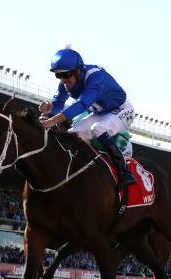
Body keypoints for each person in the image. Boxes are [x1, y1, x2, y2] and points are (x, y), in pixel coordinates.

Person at [39, 46, 136, 190]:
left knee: (98, 129)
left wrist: (52, 121)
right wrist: (50, 108)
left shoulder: (95, 76)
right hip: (101, 112)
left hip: (122, 109)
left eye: (66, 75)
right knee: (72, 135)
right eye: (58, 75)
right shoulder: (66, 83)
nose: (63, 80)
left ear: (78, 71)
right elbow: (59, 103)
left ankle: (124, 171)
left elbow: (82, 104)